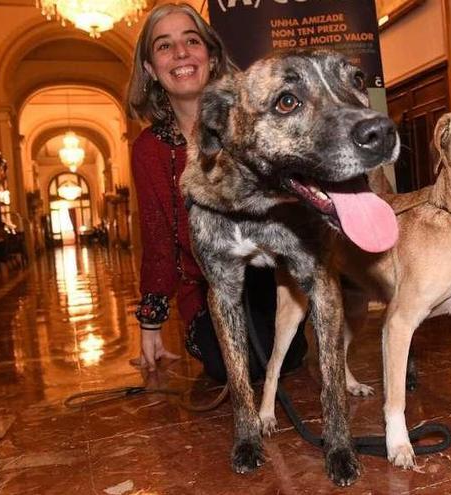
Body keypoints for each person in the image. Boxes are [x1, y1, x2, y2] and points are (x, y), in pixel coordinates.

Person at [124, 3, 307, 380]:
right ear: (150, 69)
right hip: (207, 283)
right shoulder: (149, 150)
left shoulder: (254, 117)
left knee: (281, 356)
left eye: (191, 40)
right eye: (163, 46)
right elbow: (159, 240)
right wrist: (151, 323)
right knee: (230, 367)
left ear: (211, 54)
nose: (180, 53)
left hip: (269, 271)